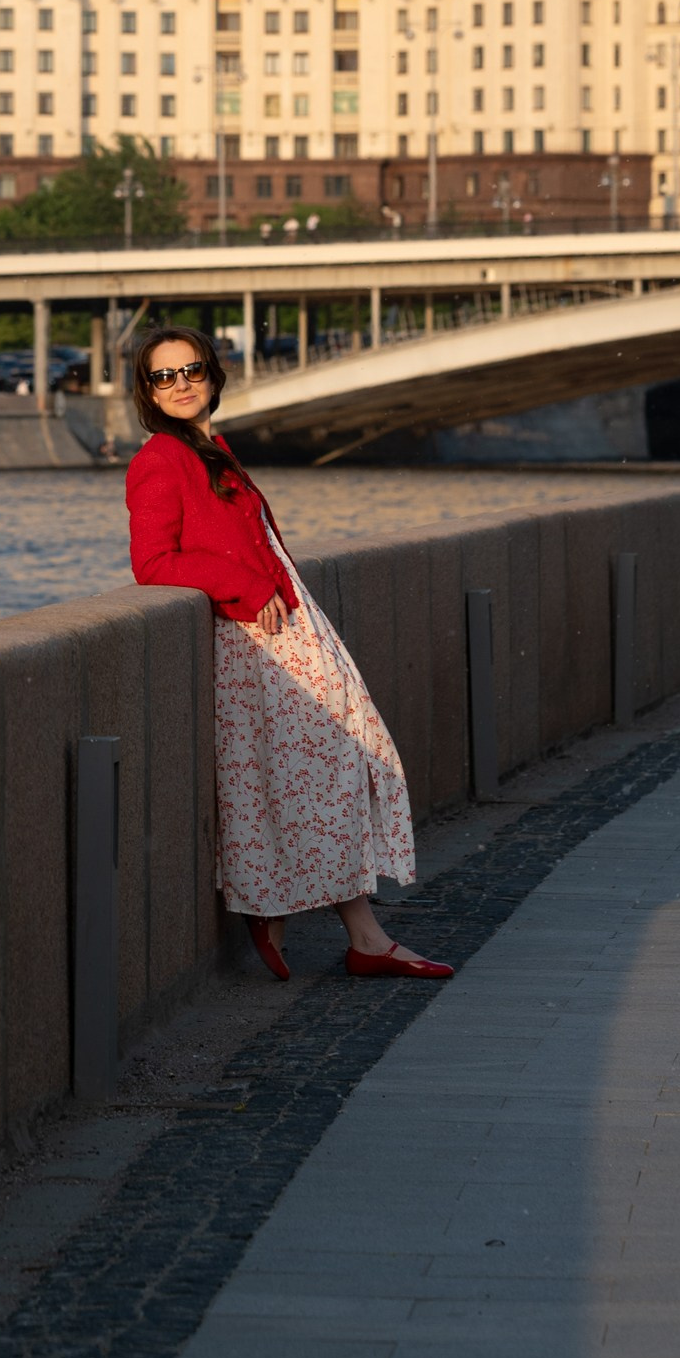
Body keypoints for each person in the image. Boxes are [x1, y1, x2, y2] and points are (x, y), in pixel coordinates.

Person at [123, 324, 451, 985]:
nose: (180, 384)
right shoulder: (159, 459)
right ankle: (341, 930)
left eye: (191, 370)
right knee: (323, 769)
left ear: (213, 375)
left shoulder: (211, 448)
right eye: (163, 376)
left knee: (333, 766)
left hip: (288, 632)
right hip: (255, 645)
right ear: (147, 392)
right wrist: (244, 586)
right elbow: (152, 563)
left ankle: (314, 922)